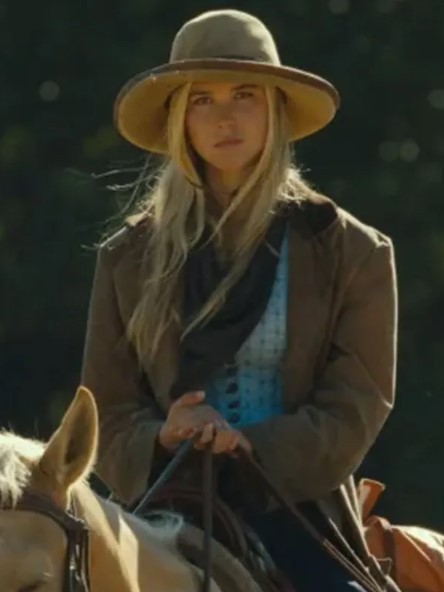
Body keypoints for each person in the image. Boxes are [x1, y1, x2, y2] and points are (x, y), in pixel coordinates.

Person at [81, 9, 399, 592]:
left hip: (295, 509)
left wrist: (252, 444)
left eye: (245, 95)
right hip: (163, 502)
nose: (225, 117)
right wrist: (164, 434)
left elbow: (357, 402)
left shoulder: (350, 250)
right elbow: (105, 406)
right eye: (202, 100)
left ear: (275, 109)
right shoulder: (128, 256)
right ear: (180, 119)